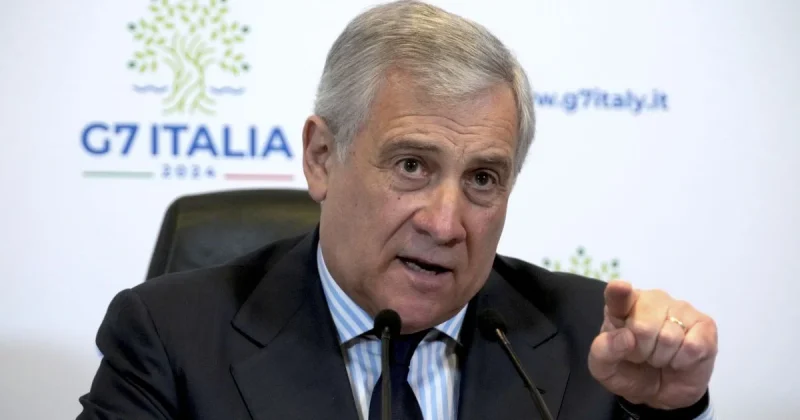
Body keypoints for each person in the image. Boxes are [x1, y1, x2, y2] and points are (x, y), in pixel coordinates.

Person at [77, 1, 718, 419]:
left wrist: (671, 413)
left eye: (483, 178)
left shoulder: (591, 341)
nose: (444, 224)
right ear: (322, 157)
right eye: (412, 166)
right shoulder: (172, 338)